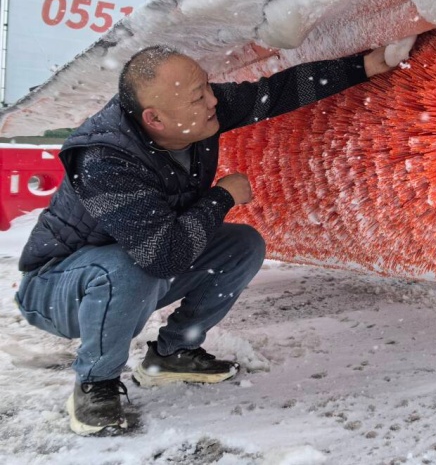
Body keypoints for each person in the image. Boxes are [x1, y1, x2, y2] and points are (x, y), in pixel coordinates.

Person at [14, 43, 396, 435]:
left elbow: (273, 93)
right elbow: (162, 258)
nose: (214, 100)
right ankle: (97, 383)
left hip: (133, 273)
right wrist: (222, 196)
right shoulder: (105, 161)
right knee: (129, 268)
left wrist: (367, 65)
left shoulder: (191, 115)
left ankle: (172, 354)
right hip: (58, 290)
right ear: (155, 119)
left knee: (241, 246)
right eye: (200, 96)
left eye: (208, 88)